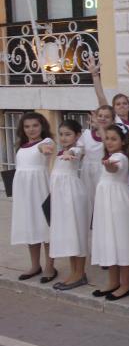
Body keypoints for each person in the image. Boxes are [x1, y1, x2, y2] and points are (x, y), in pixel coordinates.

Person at [90, 123, 129, 301]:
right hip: (106, 204)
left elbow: (114, 167)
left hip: (118, 204)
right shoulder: (111, 155)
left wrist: (109, 165)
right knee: (110, 240)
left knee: (122, 241)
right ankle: (113, 282)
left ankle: (126, 285)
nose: (109, 142)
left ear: (123, 141)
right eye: (107, 139)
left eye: (114, 139)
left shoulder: (120, 157)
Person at [11, 112, 55, 282]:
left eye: (35, 125)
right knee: (30, 226)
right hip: (24, 192)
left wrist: (45, 150)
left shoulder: (45, 142)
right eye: (27, 126)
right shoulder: (21, 145)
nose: (31, 129)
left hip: (39, 189)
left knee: (45, 226)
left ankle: (50, 266)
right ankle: (35, 265)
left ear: (42, 126)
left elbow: (46, 149)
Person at [49, 119, 91, 290]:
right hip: (61, 200)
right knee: (69, 235)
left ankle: (80, 274)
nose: (64, 138)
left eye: (68, 134)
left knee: (78, 234)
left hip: (72, 197)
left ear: (77, 135)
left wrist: (70, 153)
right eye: (61, 134)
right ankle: (74, 272)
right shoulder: (61, 151)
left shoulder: (76, 150)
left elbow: (76, 151)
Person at [79, 105, 115, 218]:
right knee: (87, 203)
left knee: (103, 204)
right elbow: (79, 150)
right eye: (100, 116)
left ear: (113, 120)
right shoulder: (86, 134)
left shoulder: (114, 136)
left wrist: (99, 127)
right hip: (87, 173)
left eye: (107, 117)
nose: (103, 118)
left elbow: (109, 146)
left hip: (104, 172)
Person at [87, 56, 129, 128]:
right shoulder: (112, 121)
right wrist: (95, 75)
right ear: (113, 108)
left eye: (125, 103)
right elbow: (101, 97)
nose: (122, 106)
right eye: (118, 104)